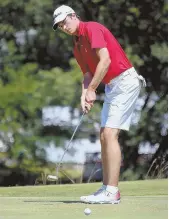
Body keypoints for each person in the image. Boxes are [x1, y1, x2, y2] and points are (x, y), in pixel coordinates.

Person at [52, 5, 146, 204]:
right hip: (112, 86)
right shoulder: (77, 45)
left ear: (73, 16)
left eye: (64, 22)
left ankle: (112, 192)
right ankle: (107, 188)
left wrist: (93, 89)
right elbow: (87, 74)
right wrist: (85, 93)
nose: (63, 27)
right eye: (59, 26)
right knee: (104, 135)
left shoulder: (92, 28)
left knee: (110, 134)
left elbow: (105, 61)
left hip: (125, 81)